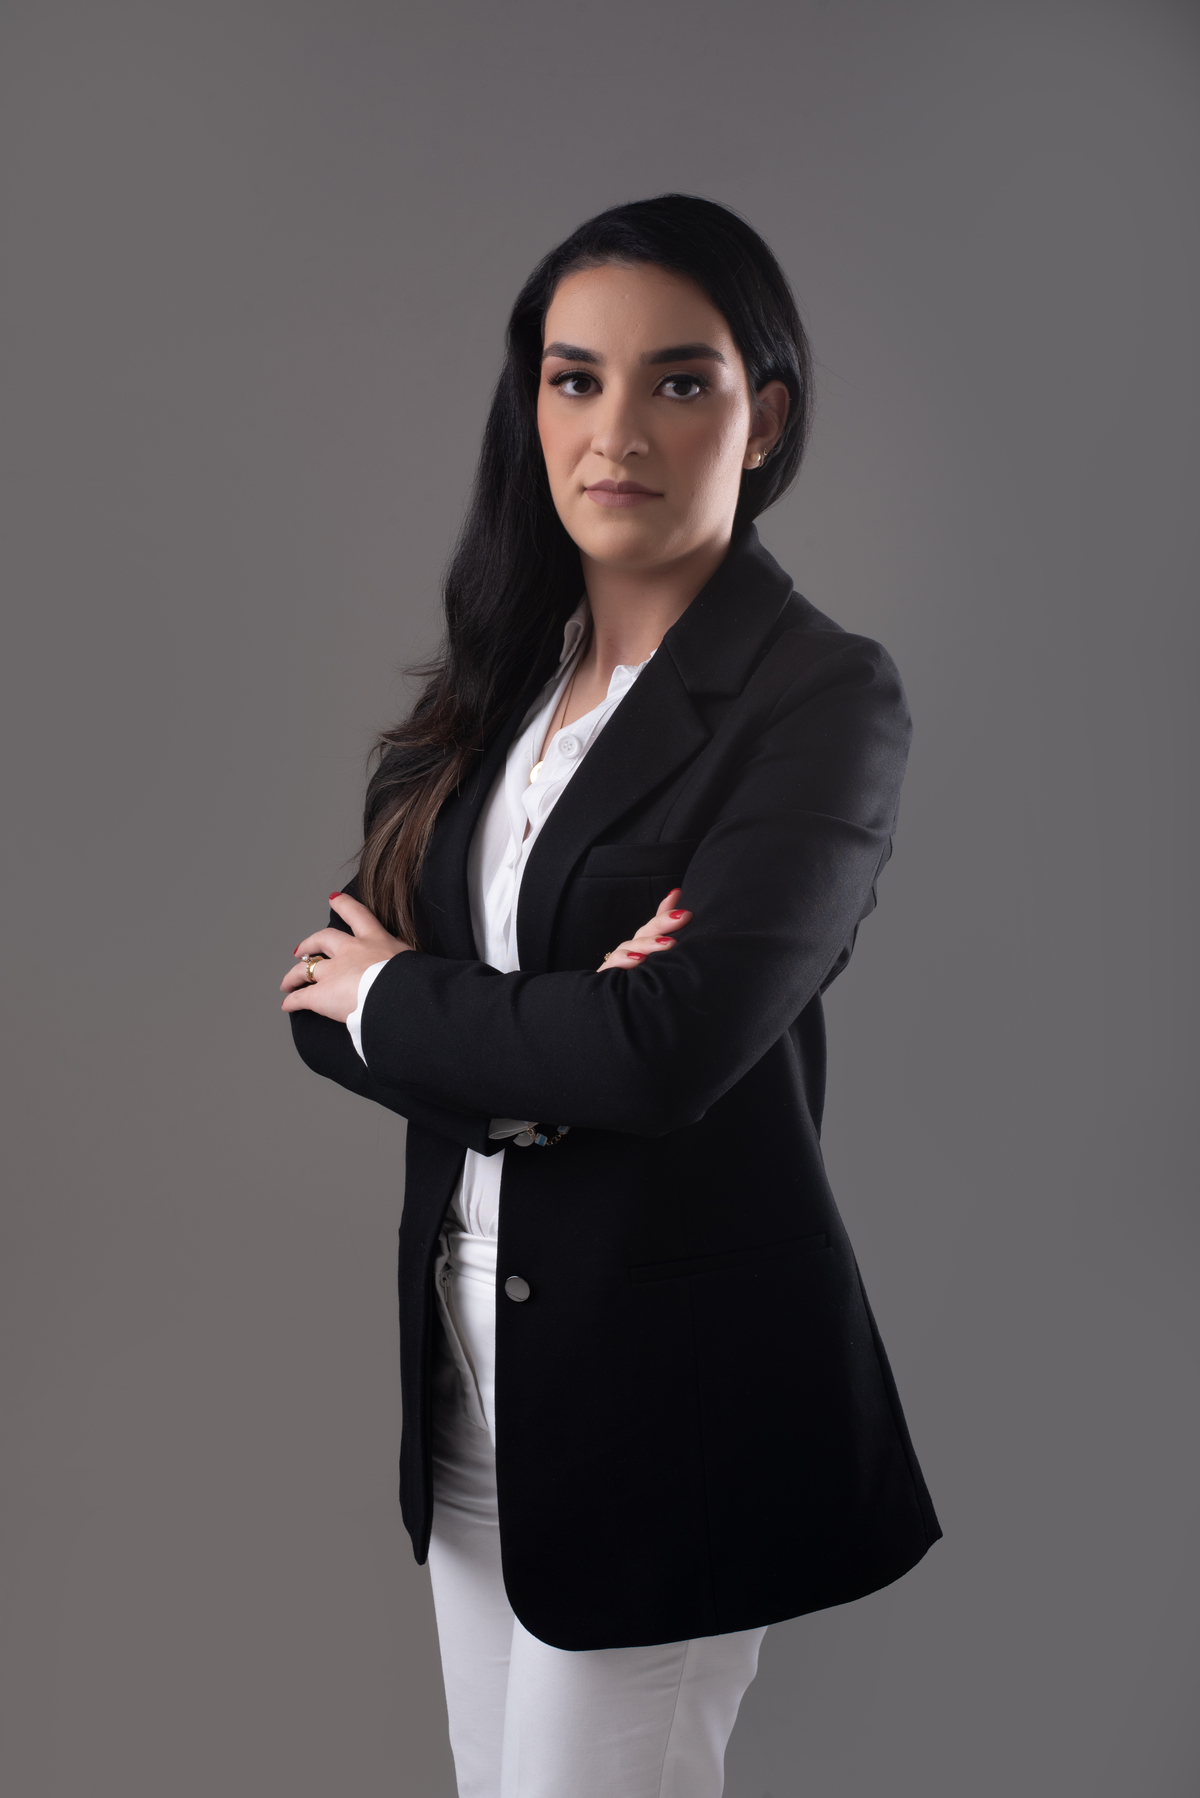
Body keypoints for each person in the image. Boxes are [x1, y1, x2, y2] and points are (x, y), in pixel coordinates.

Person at [282, 193, 940, 1798]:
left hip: (667, 1397)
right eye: (575, 379)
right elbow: (320, 993)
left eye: (678, 381)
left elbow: (662, 1049)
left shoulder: (819, 695)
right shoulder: (506, 680)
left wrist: (419, 1003)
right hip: (469, 1375)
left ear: (762, 418)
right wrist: (528, 1036)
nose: (616, 429)